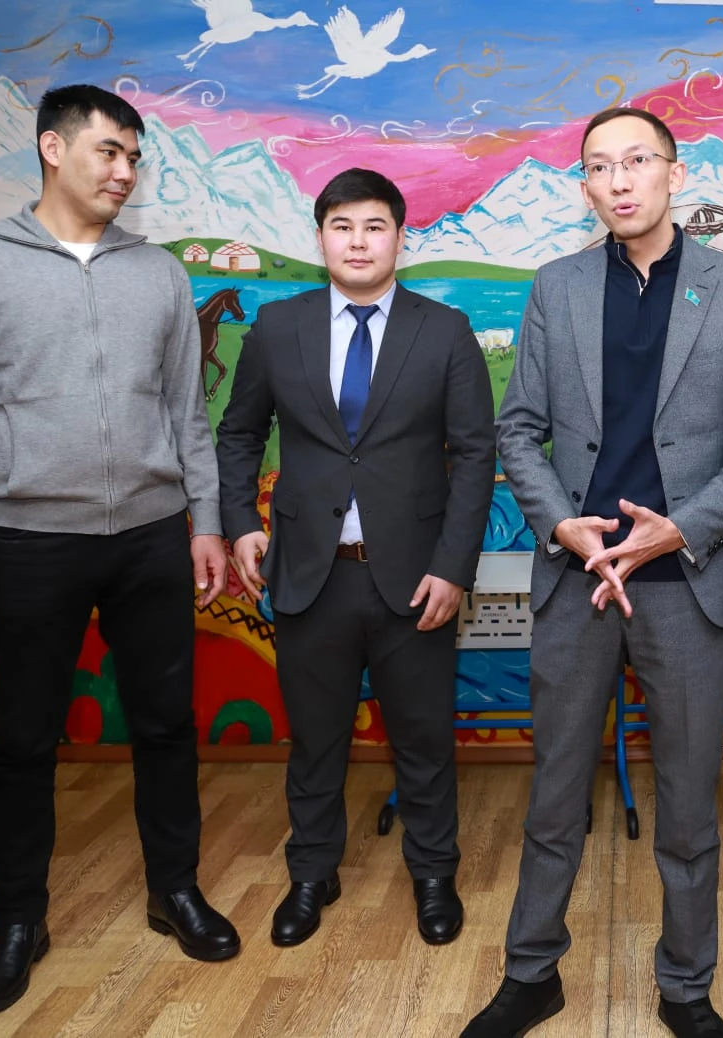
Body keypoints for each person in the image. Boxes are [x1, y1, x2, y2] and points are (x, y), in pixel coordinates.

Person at [0, 84, 237, 1019]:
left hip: (151, 536)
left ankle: (175, 890)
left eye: (135, 157)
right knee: (23, 740)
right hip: (30, 540)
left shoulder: (158, 273)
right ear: (53, 149)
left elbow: (187, 414)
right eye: (108, 152)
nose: (124, 172)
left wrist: (205, 521)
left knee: (166, 726)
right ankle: (19, 921)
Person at [462, 107, 723, 1038]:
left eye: (636, 161)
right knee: (554, 794)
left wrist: (674, 531)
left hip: (682, 583)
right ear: (585, 187)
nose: (618, 180)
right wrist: (563, 527)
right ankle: (532, 974)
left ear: (674, 174)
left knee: (686, 804)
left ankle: (686, 988)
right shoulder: (556, 286)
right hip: (578, 580)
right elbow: (519, 429)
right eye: (599, 167)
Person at [216, 168, 495, 949]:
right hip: (310, 572)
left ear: (400, 237)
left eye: (375, 226)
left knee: (423, 739)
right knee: (315, 739)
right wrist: (238, 523)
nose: (359, 242)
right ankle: (312, 873)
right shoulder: (279, 327)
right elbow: (238, 434)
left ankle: (433, 873)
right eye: (342, 227)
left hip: (417, 579)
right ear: (321, 238)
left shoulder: (444, 331)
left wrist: (454, 567)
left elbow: (476, 455)